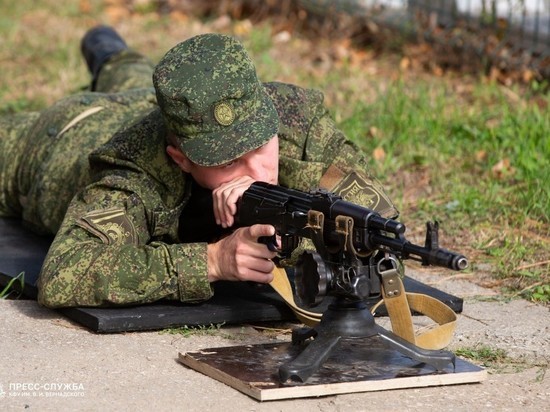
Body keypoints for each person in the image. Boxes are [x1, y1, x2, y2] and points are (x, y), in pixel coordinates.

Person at [0, 26, 398, 308]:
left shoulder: (294, 118)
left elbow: (377, 216)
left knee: (128, 71)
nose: (256, 170)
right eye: (227, 160)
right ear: (181, 160)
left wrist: (291, 206)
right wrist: (212, 261)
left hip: (146, 100)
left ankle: (108, 48)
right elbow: (64, 274)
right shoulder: (132, 171)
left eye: (259, 145)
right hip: (57, 137)